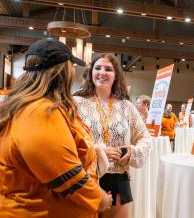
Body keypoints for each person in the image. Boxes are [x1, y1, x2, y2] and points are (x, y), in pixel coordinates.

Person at [0, 39, 112, 218]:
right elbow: (67, 176)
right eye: (72, 66)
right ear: (63, 70)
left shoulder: (33, 107)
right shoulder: (41, 112)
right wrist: (101, 199)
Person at [73, 53, 151, 218]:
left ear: (116, 76)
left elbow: (145, 138)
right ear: (91, 73)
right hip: (85, 178)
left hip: (118, 179)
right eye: (98, 68)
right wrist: (98, 152)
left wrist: (132, 152)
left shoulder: (126, 107)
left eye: (108, 69)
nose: (102, 72)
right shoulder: (76, 103)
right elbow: (67, 140)